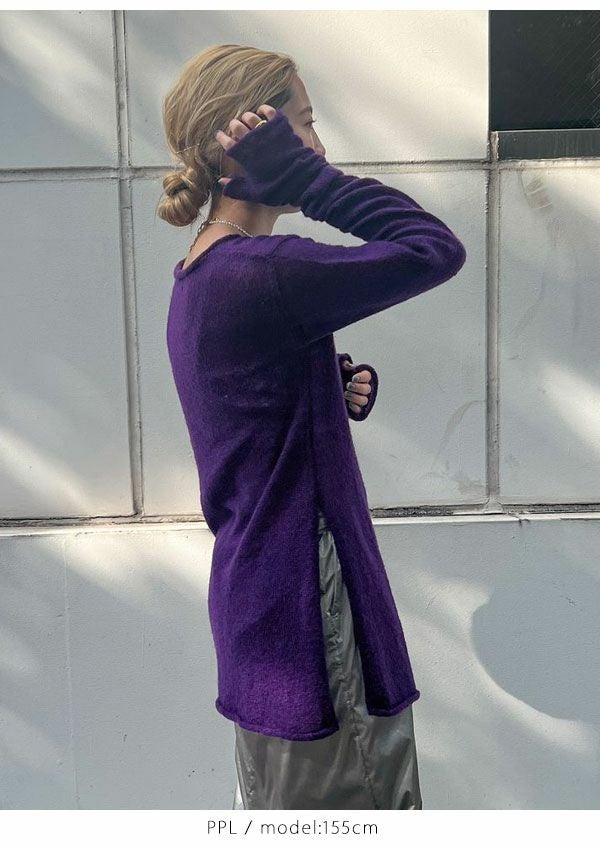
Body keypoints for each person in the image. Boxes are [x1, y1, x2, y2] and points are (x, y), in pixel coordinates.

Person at [158, 44, 466, 810]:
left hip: (265, 613)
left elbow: (243, 425)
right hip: (311, 616)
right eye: (301, 128)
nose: (319, 150)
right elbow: (434, 250)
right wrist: (311, 184)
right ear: (249, 139)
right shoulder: (260, 273)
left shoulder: (203, 273)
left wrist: (320, 388)